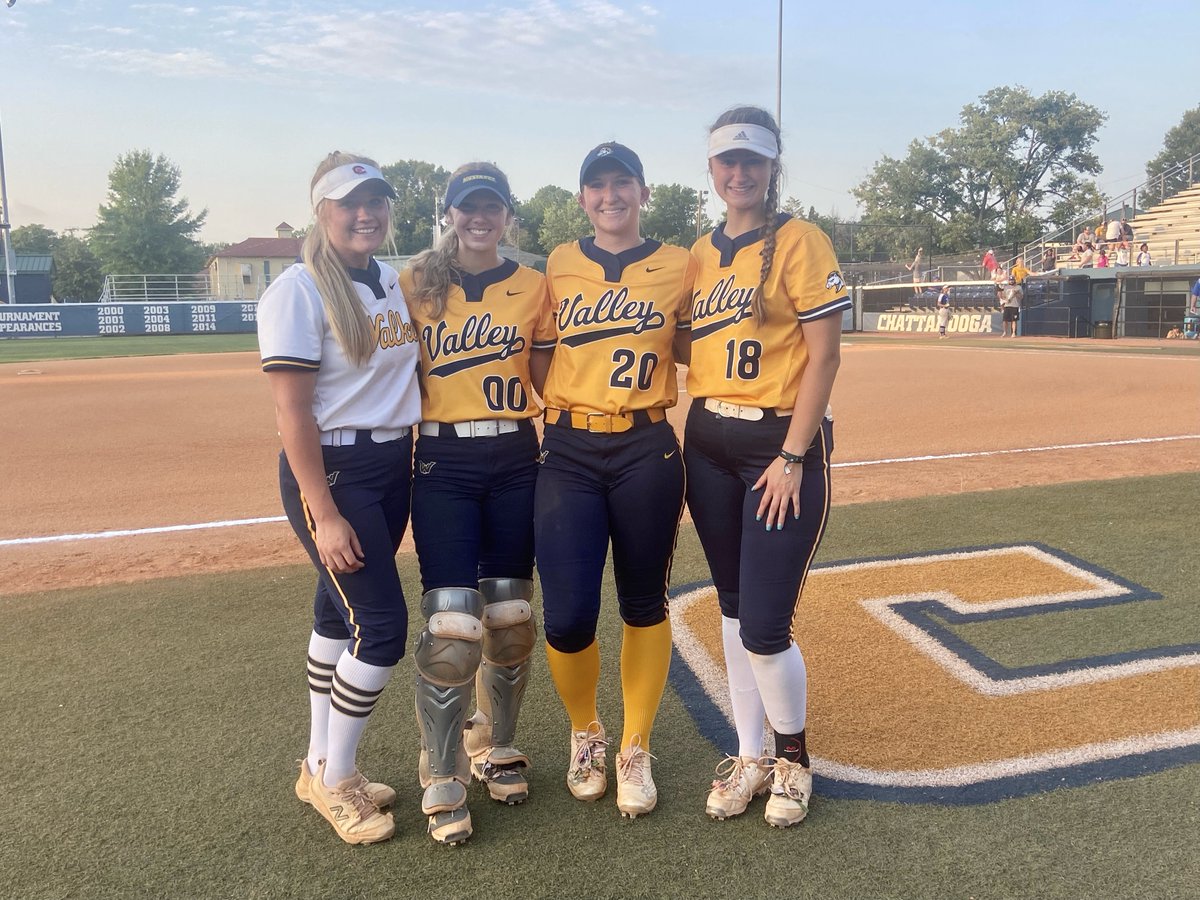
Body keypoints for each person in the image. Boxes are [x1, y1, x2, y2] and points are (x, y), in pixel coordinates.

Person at [686, 107, 850, 829]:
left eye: (752, 160)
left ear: (772, 167)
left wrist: (791, 453)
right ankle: (750, 754)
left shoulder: (801, 240)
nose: (739, 172)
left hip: (777, 447)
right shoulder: (698, 251)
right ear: (712, 168)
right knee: (729, 609)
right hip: (707, 441)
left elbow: (825, 356)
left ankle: (794, 759)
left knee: (765, 626)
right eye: (728, 161)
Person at [257, 152, 421, 845]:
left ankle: (320, 763)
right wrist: (323, 514)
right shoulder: (297, 291)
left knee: (336, 616)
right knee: (382, 630)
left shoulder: (387, 279)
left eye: (376, 200)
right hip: (335, 473)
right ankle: (337, 780)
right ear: (321, 212)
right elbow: (293, 415)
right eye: (351, 202)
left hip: (390, 466)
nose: (366, 213)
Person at [535, 141, 696, 819]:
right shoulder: (560, 264)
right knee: (568, 615)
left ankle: (634, 745)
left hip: (646, 446)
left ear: (643, 191)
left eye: (621, 183)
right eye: (597, 186)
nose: (610, 196)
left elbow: (700, 343)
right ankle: (586, 732)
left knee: (642, 603)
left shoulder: (681, 265)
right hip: (570, 449)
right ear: (582, 199)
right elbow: (539, 355)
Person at [400, 162, 556, 845]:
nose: (479, 218)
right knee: (452, 623)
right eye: (468, 208)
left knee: (511, 614)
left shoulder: (533, 284)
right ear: (450, 214)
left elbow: (553, 369)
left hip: (517, 456)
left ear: (507, 215)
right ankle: (440, 769)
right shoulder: (415, 282)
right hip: (443, 461)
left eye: (491, 207)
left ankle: (497, 746)